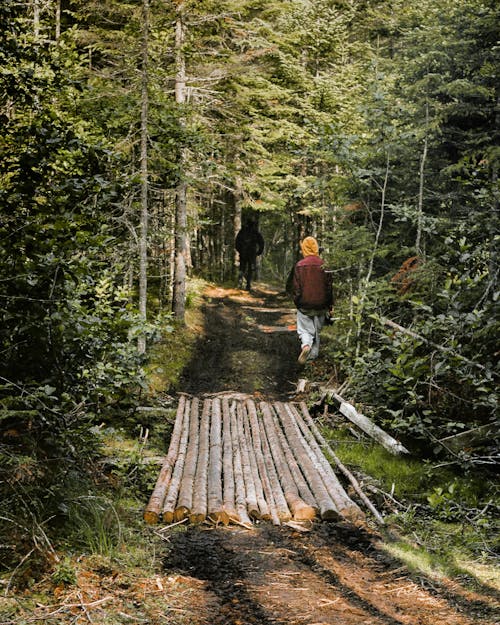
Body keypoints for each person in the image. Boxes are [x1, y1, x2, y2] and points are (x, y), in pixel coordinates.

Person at [290, 236, 332, 364]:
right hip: (321, 305)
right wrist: (330, 306)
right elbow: (329, 288)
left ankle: (306, 346)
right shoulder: (324, 265)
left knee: (304, 330)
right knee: (317, 331)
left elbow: (296, 289)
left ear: (304, 249)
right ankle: (313, 358)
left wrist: (297, 303)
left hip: (305, 305)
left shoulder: (299, 266)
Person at [235, 219, 264, 290]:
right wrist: (259, 251)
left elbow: (237, 242)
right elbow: (261, 242)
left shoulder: (243, 232)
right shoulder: (255, 232)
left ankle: (240, 283)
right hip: (251, 254)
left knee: (242, 268)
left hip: (244, 253)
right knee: (250, 269)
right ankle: (248, 285)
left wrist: (240, 251)